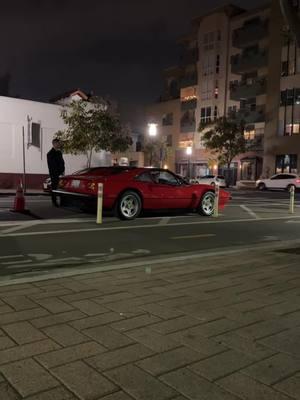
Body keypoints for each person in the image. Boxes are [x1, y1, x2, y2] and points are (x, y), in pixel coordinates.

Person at [47, 138, 65, 206]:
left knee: (61, 188)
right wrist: (57, 173)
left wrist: (62, 171)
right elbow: (52, 165)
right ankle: (54, 202)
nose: (59, 144)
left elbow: (62, 162)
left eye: (59, 143)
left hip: (61, 173)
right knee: (54, 188)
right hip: (54, 174)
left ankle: (62, 202)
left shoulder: (59, 152)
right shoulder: (50, 154)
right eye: (58, 143)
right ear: (54, 144)